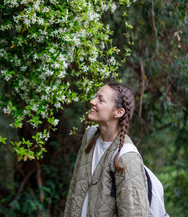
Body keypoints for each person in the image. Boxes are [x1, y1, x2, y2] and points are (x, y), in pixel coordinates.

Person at [64, 82, 149, 217]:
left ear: (118, 112)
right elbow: (74, 189)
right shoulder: (89, 137)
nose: (92, 102)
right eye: (95, 97)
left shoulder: (127, 157)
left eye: (100, 100)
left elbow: (134, 213)